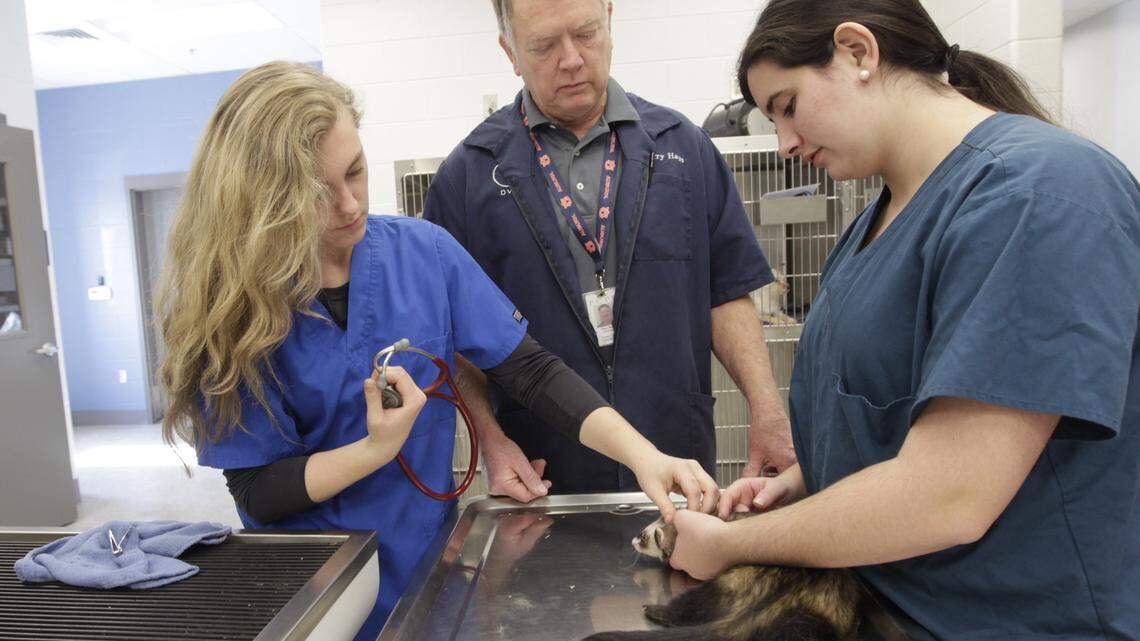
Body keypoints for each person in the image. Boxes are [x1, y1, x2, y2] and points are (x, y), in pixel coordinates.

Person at [155, 61, 720, 641]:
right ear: (263, 200)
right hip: (316, 595)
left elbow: (530, 370)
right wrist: (376, 449)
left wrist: (644, 455)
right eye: (316, 194)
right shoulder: (234, 309)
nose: (349, 206)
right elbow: (259, 493)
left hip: (427, 578)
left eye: (355, 172)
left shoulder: (422, 254)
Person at [666, 1, 1140, 639]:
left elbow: (951, 493)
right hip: (894, 600)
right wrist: (812, 481)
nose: (784, 143)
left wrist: (735, 544)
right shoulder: (879, 216)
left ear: (858, 51)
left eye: (787, 106)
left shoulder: (1040, 194)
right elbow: (899, 406)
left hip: (1013, 618)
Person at [423, 0, 795, 502]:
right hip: (542, 471)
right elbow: (457, 341)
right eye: (544, 44)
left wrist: (768, 411)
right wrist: (491, 441)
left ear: (610, 23)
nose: (572, 58)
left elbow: (726, 293)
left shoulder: (683, 148)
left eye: (586, 33)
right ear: (510, 51)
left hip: (676, 451)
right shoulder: (466, 178)